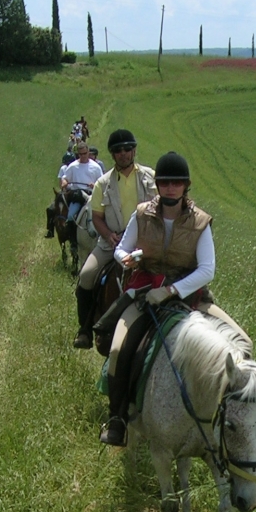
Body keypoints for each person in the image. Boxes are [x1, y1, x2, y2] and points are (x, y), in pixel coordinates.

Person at [98, 151, 252, 446]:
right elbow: (122, 248)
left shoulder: (201, 222)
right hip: (145, 291)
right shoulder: (142, 214)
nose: (170, 187)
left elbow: (207, 269)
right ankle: (117, 418)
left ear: (186, 185)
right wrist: (125, 258)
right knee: (118, 350)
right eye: (164, 182)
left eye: (176, 182)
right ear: (157, 184)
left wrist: (171, 290)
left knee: (244, 342)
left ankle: (234, 418)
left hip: (190, 295)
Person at [72, 129, 157, 349]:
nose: (123, 154)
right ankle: (85, 329)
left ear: (134, 150)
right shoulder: (102, 183)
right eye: (118, 151)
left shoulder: (151, 177)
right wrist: (109, 235)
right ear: (112, 154)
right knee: (87, 276)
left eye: (127, 149)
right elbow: (97, 217)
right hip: (113, 241)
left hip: (145, 242)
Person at [62, 142, 103, 222]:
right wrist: (64, 182)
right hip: (78, 196)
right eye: (81, 154)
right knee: (70, 216)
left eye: (85, 153)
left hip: (92, 196)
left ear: (88, 152)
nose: (83, 156)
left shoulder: (96, 167)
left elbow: (102, 183)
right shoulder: (73, 166)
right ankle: (72, 234)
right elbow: (65, 178)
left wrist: (94, 185)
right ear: (78, 154)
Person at [45, 152, 76, 239]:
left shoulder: (75, 168)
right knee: (50, 209)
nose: (67, 164)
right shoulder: (63, 168)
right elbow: (60, 181)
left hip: (72, 192)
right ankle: (50, 229)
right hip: (64, 191)